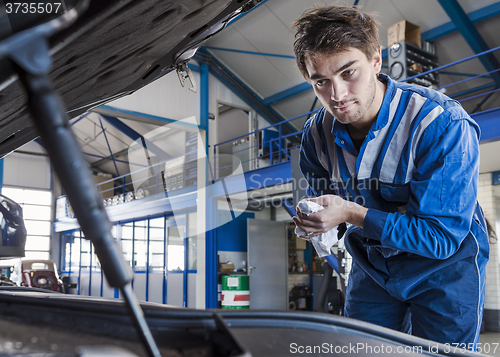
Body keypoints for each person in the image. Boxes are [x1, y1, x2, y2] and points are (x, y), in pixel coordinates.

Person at [291, 5, 489, 350]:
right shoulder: (316, 136)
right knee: (362, 349)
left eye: (348, 72)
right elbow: (323, 198)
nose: (337, 96)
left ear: (376, 60)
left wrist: (351, 213)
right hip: (374, 267)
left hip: (444, 272)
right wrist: (317, 220)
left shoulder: (441, 125)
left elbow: (439, 238)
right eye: (320, 81)